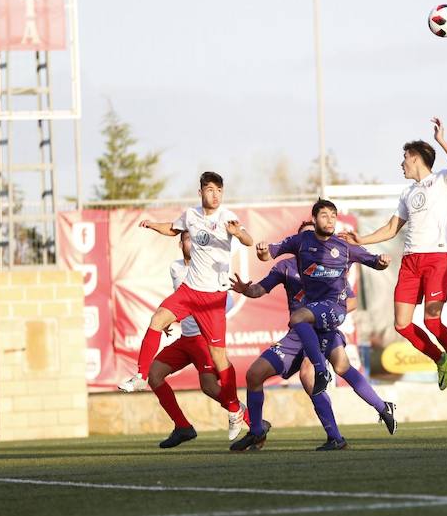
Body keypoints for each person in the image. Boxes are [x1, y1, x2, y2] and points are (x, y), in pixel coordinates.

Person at [231, 200, 391, 451]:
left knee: (313, 375)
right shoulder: (285, 266)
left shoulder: (331, 261)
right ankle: (257, 432)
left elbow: (349, 301)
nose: (311, 242)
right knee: (254, 374)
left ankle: (336, 437)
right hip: (297, 335)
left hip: (321, 330)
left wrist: (326, 314)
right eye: (306, 235)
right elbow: (260, 288)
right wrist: (245, 290)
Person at [340, 117, 447, 394]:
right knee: (401, 324)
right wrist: (361, 239)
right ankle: (440, 358)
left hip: (437, 259)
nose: (401, 164)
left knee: (432, 322)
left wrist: (441, 141)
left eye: (404, 158)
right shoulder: (406, 192)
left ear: (415, 158)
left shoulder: (442, 180)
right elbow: (391, 228)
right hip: (411, 260)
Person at [118, 171, 253, 439]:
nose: (215, 195)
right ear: (201, 191)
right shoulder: (190, 216)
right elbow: (174, 229)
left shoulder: (226, 216)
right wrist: (153, 225)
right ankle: (142, 375)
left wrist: (238, 233)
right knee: (157, 319)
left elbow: (248, 240)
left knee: (219, 359)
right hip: (189, 292)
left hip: (213, 298)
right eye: (210, 190)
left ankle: (236, 409)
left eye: (219, 190)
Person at [148, 232, 251, 448]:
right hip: (185, 338)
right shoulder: (175, 268)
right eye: (187, 239)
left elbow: (227, 302)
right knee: (154, 375)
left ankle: (256, 424)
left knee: (210, 387)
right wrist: (169, 318)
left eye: (196, 240)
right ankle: (183, 426)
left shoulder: (209, 270)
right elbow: (179, 300)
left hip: (203, 340)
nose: (192, 243)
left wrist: (207, 316)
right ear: (180, 243)